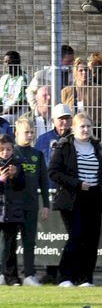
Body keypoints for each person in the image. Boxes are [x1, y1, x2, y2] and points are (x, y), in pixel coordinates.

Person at [49, 113, 102, 287]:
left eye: (88, 126)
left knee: (92, 239)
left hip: (93, 198)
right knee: (76, 236)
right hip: (72, 199)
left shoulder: (96, 147)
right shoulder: (64, 146)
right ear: (74, 128)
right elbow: (53, 172)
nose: (86, 130)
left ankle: (85, 279)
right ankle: (65, 277)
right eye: (82, 126)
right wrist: (77, 184)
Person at [9, 118, 49, 285]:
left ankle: (29, 275)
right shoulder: (11, 153)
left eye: (32, 132)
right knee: (9, 241)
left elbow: (43, 182)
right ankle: (8, 275)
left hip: (31, 204)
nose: (30, 135)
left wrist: (46, 204)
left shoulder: (37, 155)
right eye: (26, 132)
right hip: (12, 205)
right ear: (17, 133)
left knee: (29, 241)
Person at [0, 134, 26, 285]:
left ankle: (12, 277)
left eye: (8, 149)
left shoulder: (17, 164)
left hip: (11, 212)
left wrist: (14, 176)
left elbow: (21, 186)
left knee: (11, 245)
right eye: (2, 149)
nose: (5, 152)